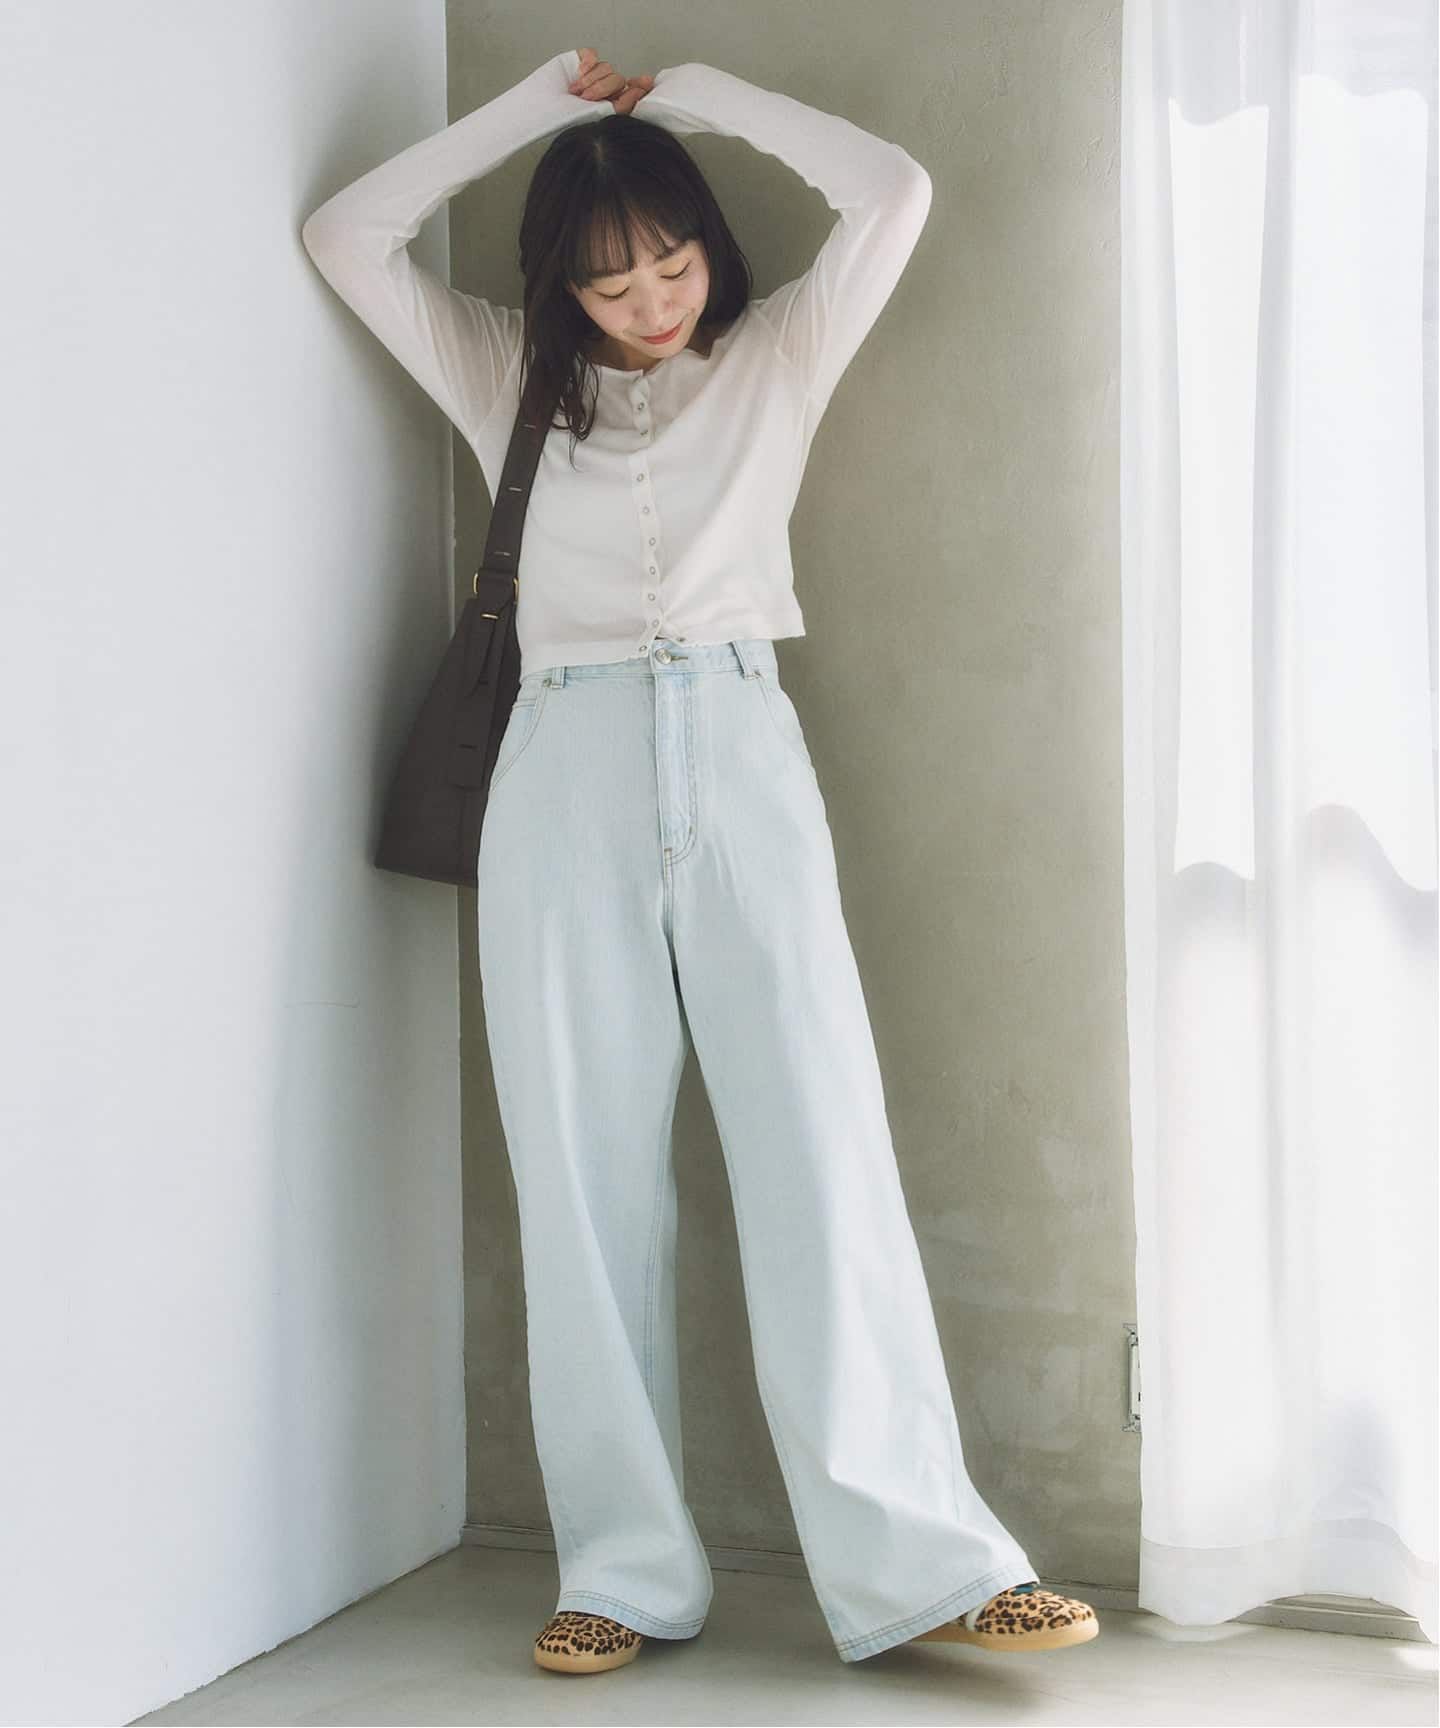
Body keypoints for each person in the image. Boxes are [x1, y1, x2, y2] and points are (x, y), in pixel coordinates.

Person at [301, 43, 1099, 1676]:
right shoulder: (501, 375)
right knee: (580, 1173)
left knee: (821, 1143)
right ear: (560, 287)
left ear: (706, 249)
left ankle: (929, 1563)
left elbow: (894, 192)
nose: (650, 302)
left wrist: (688, 96)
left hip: (740, 746)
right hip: (561, 763)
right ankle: (620, 1571)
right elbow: (345, 238)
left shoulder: (781, 352)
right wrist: (537, 108)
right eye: (609, 283)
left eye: (670, 263)